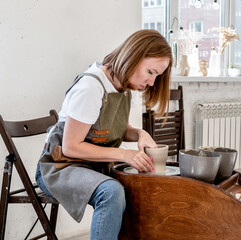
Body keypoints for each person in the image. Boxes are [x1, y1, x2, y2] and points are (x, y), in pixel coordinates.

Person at [35, 29, 172, 240]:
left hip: (92, 166)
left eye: (157, 76)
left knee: (140, 185)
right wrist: (125, 155)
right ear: (133, 56)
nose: (152, 83)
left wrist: (140, 134)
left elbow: (116, 127)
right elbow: (71, 146)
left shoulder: (123, 85)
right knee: (112, 192)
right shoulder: (91, 86)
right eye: (150, 72)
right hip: (61, 166)